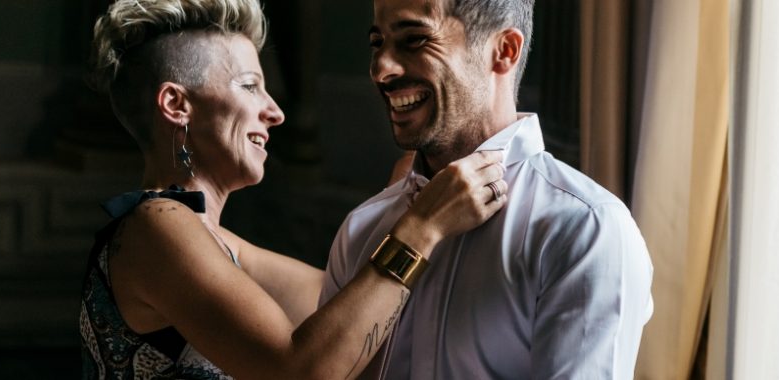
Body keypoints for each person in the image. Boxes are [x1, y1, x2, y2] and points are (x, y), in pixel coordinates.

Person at [78, 0, 510, 378]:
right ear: (177, 105)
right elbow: (299, 371)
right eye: (250, 86)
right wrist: (420, 226)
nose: (275, 112)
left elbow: (347, 310)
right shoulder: (156, 226)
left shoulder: (215, 244)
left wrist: (399, 201)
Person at [318, 0, 655, 378]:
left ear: (504, 51)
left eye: (414, 40)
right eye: (377, 43)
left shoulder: (586, 228)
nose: (382, 69)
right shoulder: (361, 230)